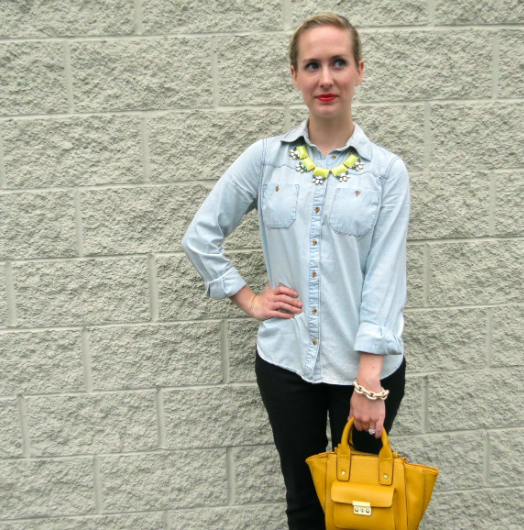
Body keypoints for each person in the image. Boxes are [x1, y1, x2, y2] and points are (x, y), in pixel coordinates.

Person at [182, 13, 409, 530]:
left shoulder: (386, 172)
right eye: (312, 65)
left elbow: (385, 276)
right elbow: (200, 235)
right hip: (287, 366)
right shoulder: (266, 160)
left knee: (361, 511)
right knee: (304, 505)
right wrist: (249, 299)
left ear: (359, 70)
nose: (325, 78)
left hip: (363, 371)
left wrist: (369, 384)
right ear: (295, 75)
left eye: (337, 63)